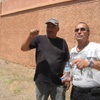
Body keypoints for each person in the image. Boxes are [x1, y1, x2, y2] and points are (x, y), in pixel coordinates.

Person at [21, 18, 70, 100]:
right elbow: (23, 48)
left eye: (52, 27)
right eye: (48, 26)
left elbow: (67, 61)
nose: (50, 29)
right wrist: (30, 36)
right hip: (41, 81)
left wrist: (66, 76)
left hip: (58, 82)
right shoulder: (39, 39)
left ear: (58, 29)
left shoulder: (62, 42)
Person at [70, 22, 100, 100]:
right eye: (76, 30)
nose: (79, 32)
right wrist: (66, 76)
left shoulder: (96, 47)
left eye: (82, 29)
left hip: (93, 94)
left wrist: (89, 63)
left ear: (88, 33)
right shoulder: (72, 50)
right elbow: (70, 66)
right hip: (75, 92)